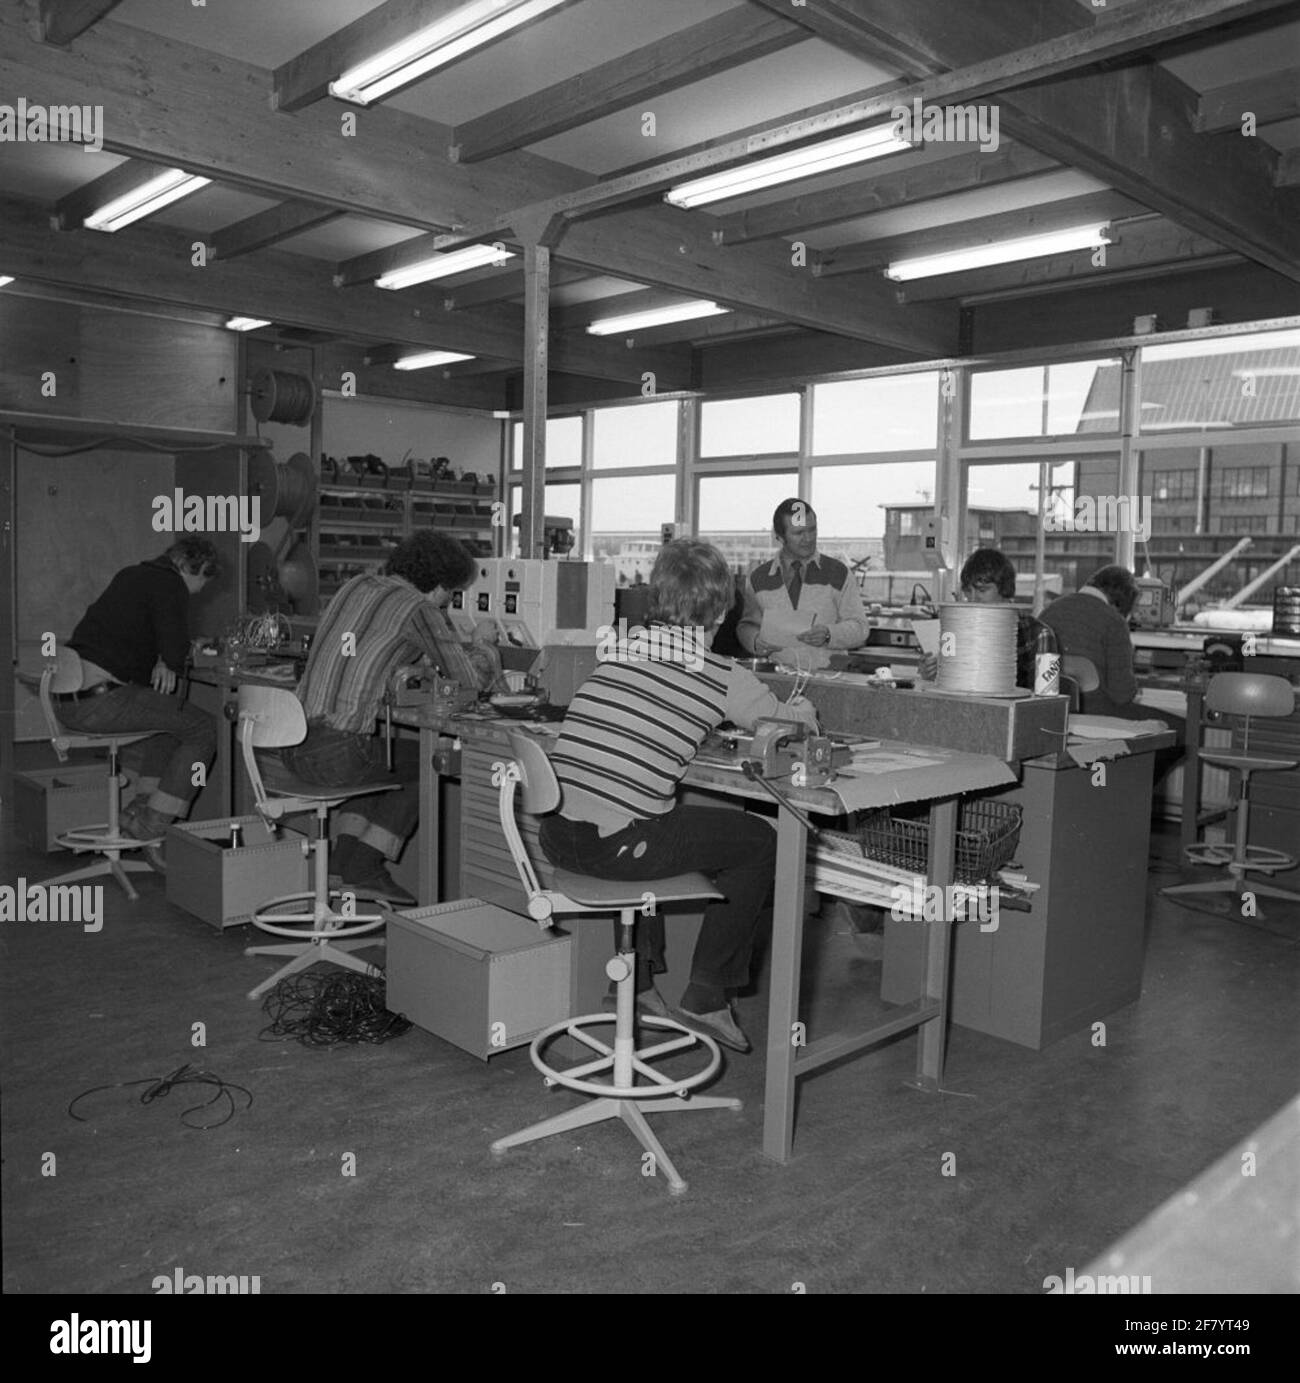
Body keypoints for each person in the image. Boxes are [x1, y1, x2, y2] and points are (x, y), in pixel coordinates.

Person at [538, 538, 819, 1054]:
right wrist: (805, 709)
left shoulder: (620, 652)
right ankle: (708, 994)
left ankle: (638, 984)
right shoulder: (720, 675)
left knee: (658, 816)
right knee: (761, 842)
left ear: (656, 600)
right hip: (616, 849)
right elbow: (786, 724)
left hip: (558, 835)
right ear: (722, 611)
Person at [286, 529, 483, 905]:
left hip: (293, 745)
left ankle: (343, 863)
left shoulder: (354, 585)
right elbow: (467, 680)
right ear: (439, 585)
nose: (448, 601)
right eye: (450, 592)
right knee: (432, 764)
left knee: (381, 761)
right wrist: (485, 649)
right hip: (332, 756)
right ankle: (363, 865)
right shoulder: (420, 609)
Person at [58, 537, 221, 866]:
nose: (201, 590)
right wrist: (172, 658)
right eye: (204, 579)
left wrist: (163, 659)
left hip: (70, 699)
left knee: (167, 721)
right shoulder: (171, 584)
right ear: (197, 568)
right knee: (203, 728)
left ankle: (138, 810)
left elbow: (135, 638)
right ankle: (153, 825)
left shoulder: (132, 574)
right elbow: (175, 649)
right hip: (100, 703)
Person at [737, 499, 868, 660]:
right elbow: (747, 626)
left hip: (828, 678)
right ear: (780, 536)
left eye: (812, 530)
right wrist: (755, 641)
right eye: (798, 533)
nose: (808, 538)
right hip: (777, 678)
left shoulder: (839, 573)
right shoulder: (758, 578)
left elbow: (860, 628)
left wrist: (829, 634)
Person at [919, 548, 1047, 689]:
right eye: (968, 591)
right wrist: (934, 674)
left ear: (1004, 589)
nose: (973, 599)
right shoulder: (956, 630)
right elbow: (951, 678)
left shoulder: (1038, 634)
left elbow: (1043, 699)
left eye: (982, 590)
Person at [1038, 564, 1143, 717]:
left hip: (1048, 710)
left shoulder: (1049, 611)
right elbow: (1122, 695)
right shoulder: (1114, 622)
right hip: (1096, 713)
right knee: (1175, 725)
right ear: (1121, 604)